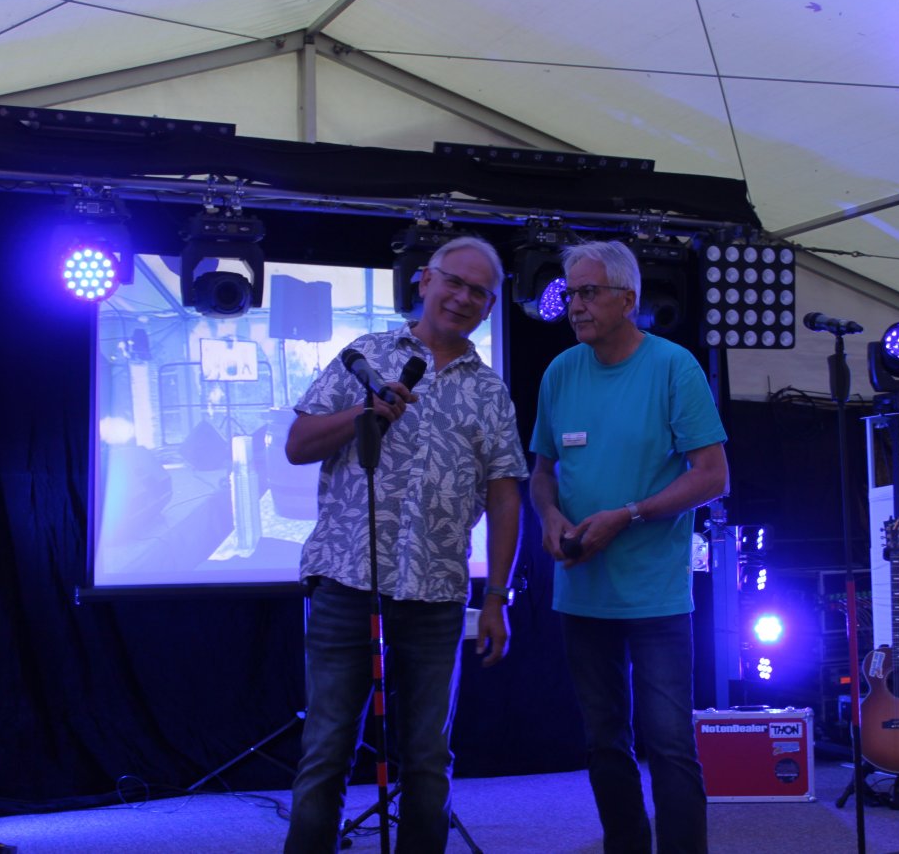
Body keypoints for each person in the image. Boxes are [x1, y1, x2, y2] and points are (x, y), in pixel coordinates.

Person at [283, 237, 528, 854]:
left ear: (489, 307)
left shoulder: (490, 391)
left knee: (427, 757)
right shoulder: (365, 355)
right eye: (455, 282)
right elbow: (298, 445)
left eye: (479, 292)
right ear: (424, 280)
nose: (463, 298)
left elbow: (505, 498)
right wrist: (363, 413)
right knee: (326, 749)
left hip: (437, 593)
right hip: (346, 582)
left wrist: (496, 597)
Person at [529, 240, 729, 854]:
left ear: (628, 298)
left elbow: (712, 476)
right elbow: (541, 473)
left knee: (669, 744)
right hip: (582, 592)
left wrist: (629, 515)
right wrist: (549, 515)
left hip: (655, 596)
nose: (575, 306)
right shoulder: (560, 372)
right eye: (570, 293)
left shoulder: (673, 367)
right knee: (603, 742)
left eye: (588, 293)